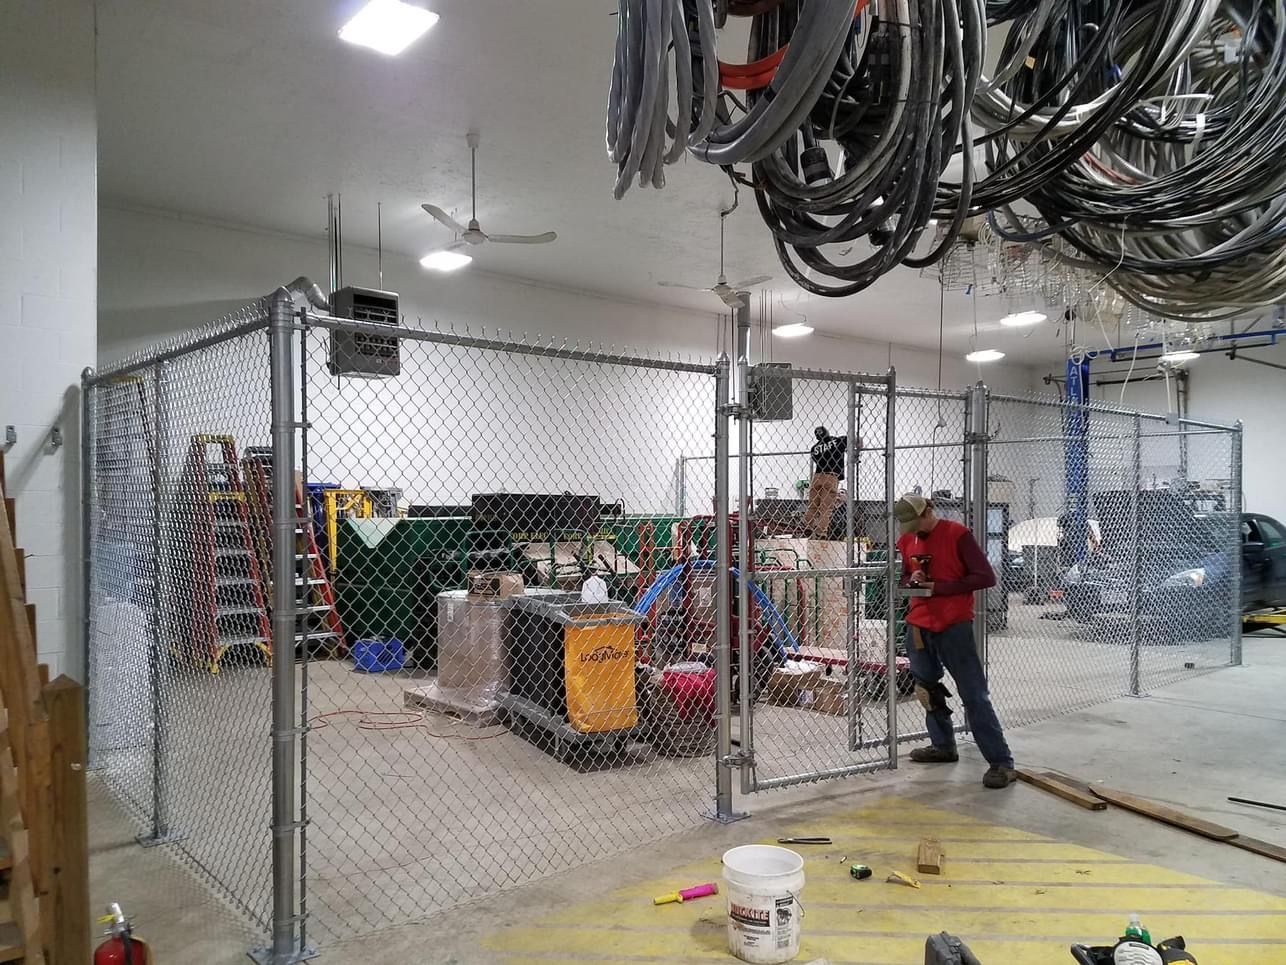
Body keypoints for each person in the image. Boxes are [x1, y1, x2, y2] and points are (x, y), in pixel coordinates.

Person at [894, 493, 1016, 789]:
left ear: (929, 511)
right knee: (927, 689)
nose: (914, 531)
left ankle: (1001, 762)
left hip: (954, 625)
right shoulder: (907, 540)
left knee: (974, 695)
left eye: (917, 523)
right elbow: (906, 576)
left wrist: (939, 588)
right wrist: (913, 580)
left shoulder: (957, 535)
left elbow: (985, 577)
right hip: (919, 625)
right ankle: (943, 746)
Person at [803, 426, 847, 538]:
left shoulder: (814, 448)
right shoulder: (838, 440)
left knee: (812, 505)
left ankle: (807, 527)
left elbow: (818, 460)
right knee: (826, 508)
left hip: (817, 476)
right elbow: (852, 440)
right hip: (831, 476)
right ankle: (821, 532)